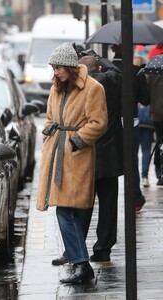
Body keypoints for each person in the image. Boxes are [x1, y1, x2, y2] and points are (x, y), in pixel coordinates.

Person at [36, 43, 108, 284]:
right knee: (66, 210)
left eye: (58, 68)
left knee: (67, 210)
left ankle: (81, 263)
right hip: (56, 154)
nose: (55, 72)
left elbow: (98, 122)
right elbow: (49, 117)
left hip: (76, 157)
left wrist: (76, 141)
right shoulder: (56, 88)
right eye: (53, 68)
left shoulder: (92, 88)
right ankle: (80, 263)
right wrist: (49, 130)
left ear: (70, 67)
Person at [51, 53, 123, 265]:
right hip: (109, 155)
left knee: (80, 205)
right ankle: (103, 249)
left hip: (85, 153)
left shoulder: (83, 88)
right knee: (108, 205)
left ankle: (75, 249)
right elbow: (117, 72)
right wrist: (102, 59)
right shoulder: (111, 80)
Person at [111, 44, 150, 211]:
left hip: (110, 122)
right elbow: (146, 100)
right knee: (131, 161)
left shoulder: (107, 71)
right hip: (130, 122)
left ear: (113, 49)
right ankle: (135, 198)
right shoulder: (135, 72)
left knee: (110, 161)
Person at [137, 103, 154, 187]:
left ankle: (134, 178)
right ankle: (144, 177)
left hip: (135, 121)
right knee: (146, 151)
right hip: (148, 122)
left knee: (132, 153)